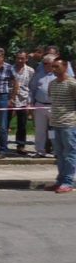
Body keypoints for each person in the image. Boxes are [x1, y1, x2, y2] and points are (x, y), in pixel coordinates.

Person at [47, 57, 76, 193]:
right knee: (59, 153)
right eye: (52, 67)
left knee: (69, 153)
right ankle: (60, 180)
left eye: (56, 67)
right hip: (55, 123)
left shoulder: (72, 84)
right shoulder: (52, 84)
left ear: (65, 67)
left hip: (68, 123)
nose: (54, 69)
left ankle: (68, 181)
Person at [10, 52, 35, 153]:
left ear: (26, 59)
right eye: (18, 58)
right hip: (11, 98)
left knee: (22, 124)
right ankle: (2, 146)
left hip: (24, 99)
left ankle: (20, 145)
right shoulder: (10, 69)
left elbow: (32, 87)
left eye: (22, 58)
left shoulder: (30, 71)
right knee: (5, 123)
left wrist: (30, 102)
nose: (19, 60)